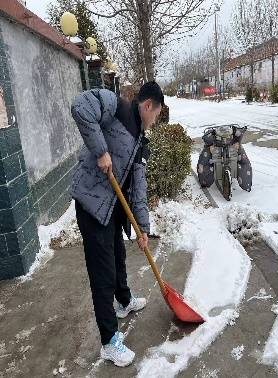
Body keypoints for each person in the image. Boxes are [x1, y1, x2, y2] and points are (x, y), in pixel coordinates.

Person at [70, 81, 164, 367]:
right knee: (103, 275)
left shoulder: (140, 144)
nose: (156, 120)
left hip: (112, 210)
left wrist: (143, 229)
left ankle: (124, 302)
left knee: (118, 258)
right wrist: (101, 151)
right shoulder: (117, 106)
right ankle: (109, 342)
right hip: (92, 204)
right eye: (157, 114)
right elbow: (80, 107)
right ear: (148, 106)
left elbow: (139, 189)